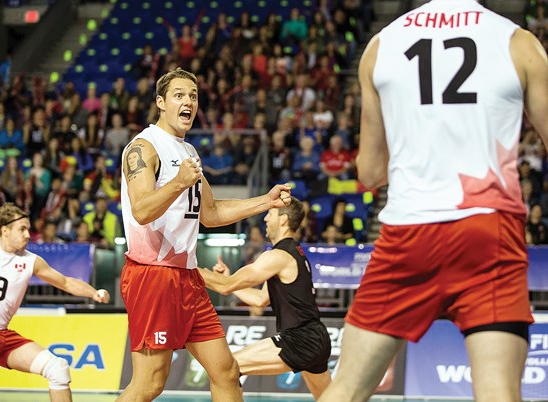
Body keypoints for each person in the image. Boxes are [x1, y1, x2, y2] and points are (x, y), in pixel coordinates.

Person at [318, 1, 548, 401]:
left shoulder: (379, 47)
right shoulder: (519, 42)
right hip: (489, 231)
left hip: (408, 234)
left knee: (347, 390)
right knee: (498, 392)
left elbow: (370, 173)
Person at [117, 67, 292, 402]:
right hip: (153, 276)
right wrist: (179, 182)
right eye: (180, 95)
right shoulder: (143, 147)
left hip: (188, 278)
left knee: (225, 371)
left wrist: (264, 201)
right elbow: (141, 210)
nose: (188, 101)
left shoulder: (188, 153)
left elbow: (211, 214)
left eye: (193, 96)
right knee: (150, 384)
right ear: (161, 103)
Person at [199, 197, 332, 400]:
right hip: (316, 338)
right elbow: (260, 299)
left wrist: (187, 270)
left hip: (300, 340)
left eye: (270, 213)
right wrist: (228, 279)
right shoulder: (293, 252)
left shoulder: (277, 256)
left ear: (283, 220)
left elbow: (225, 287)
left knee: (228, 368)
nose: (266, 219)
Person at [0, 202, 110, 400]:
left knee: (57, 368)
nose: (28, 234)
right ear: (5, 230)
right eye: (22, 229)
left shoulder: (30, 261)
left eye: (28, 229)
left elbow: (66, 282)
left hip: (1, 335)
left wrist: (93, 293)